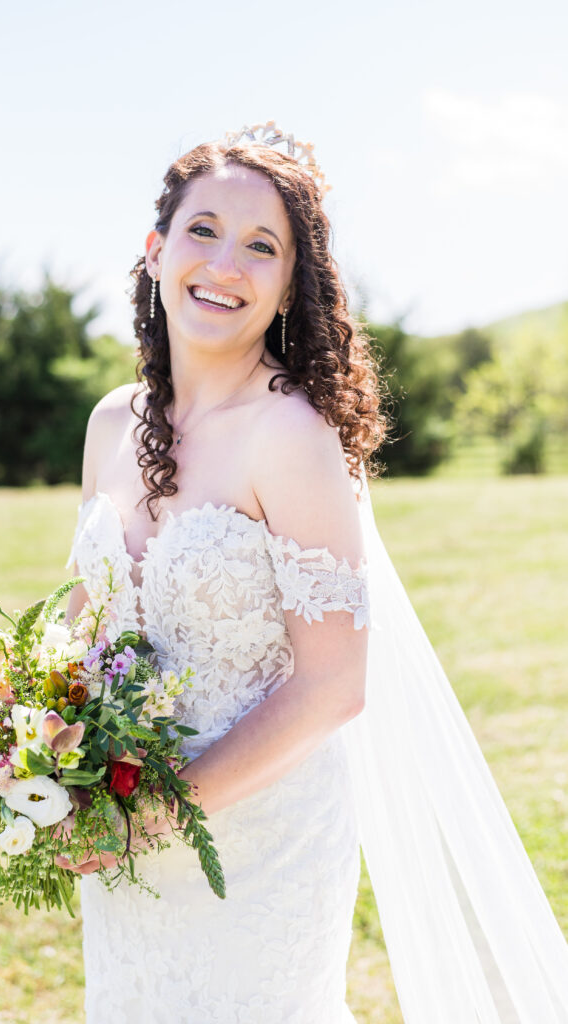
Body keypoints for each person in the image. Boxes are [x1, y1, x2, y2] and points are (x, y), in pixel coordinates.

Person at [59, 125, 568, 1023]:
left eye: (263, 247)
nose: (226, 263)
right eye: (203, 230)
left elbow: (334, 687)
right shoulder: (110, 424)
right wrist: (37, 748)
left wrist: (153, 817)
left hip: (259, 846)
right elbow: (83, 629)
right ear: (156, 251)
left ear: (291, 285)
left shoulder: (289, 434)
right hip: (122, 837)